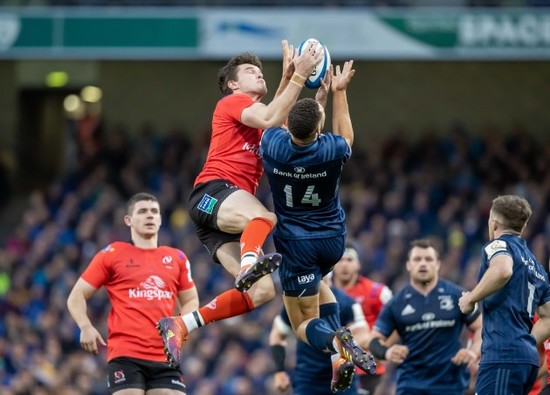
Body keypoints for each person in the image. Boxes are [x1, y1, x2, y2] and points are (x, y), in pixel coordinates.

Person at [158, 40, 323, 369]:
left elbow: (279, 119)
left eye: (262, 72)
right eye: (251, 71)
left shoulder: (256, 113)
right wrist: (298, 77)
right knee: (264, 217)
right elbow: (272, 116)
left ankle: (182, 324)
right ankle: (249, 262)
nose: (259, 75)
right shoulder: (232, 102)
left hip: (221, 216)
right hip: (214, 192)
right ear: (233, 84)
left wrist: (307, 88)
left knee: (262, 292)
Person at [261, 59, 376, 393]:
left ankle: (336, 343)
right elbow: (346, 136)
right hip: (332, 242)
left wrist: (289, 78)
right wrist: (338, 93)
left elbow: (275, 117)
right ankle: (336, 342)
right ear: (319, 128)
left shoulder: (273, 146)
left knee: (300, 324)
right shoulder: (330, 151)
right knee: (323, 290)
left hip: (296, 245)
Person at [66, 192, 199, 394]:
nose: (149, 216)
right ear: (128, 220)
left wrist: (181, 325)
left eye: (154, 212)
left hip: (166, 356)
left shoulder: (177, 258)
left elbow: (190, 300)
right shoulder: (112, 254)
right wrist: (85, 326)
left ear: (161, 219)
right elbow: (76, 296)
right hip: (126, 355)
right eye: (143, 211)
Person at [459, 195, 550, 394]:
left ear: (494, 223)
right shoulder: (537, 266)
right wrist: (525, 340)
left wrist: (471, 298)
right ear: (523, 226)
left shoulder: (498, 246)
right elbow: (549, 318)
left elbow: (503, 270)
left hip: (502, 355)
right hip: (527, 361)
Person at [369, 238, 482, 395]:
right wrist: (387, 352)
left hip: (450, 385)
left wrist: (473, 352)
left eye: (428, 259)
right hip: (410, 386)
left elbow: (480, 327)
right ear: (408, 265)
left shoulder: (457, 295)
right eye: (417, 259)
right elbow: (374, 340)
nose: (423, 263)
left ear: (438, 264)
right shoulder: (396, 303)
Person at [269, 274, 370, 395]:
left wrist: (346, 346)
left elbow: (363, 335)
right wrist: (279, 370)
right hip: (308, 381)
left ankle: (334, 345)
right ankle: (334, 343)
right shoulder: (295, 302)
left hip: (344, 381)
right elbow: (278, 334)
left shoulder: (347, 303)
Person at [332, 244, 393, 395]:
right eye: (340, 260)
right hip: (333, 368)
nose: (345, 265)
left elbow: (396, 324)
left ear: (358, 264)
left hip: (368, 370)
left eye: (350, 260)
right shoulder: (324, 295)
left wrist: (382, 352)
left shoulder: (377, 293)